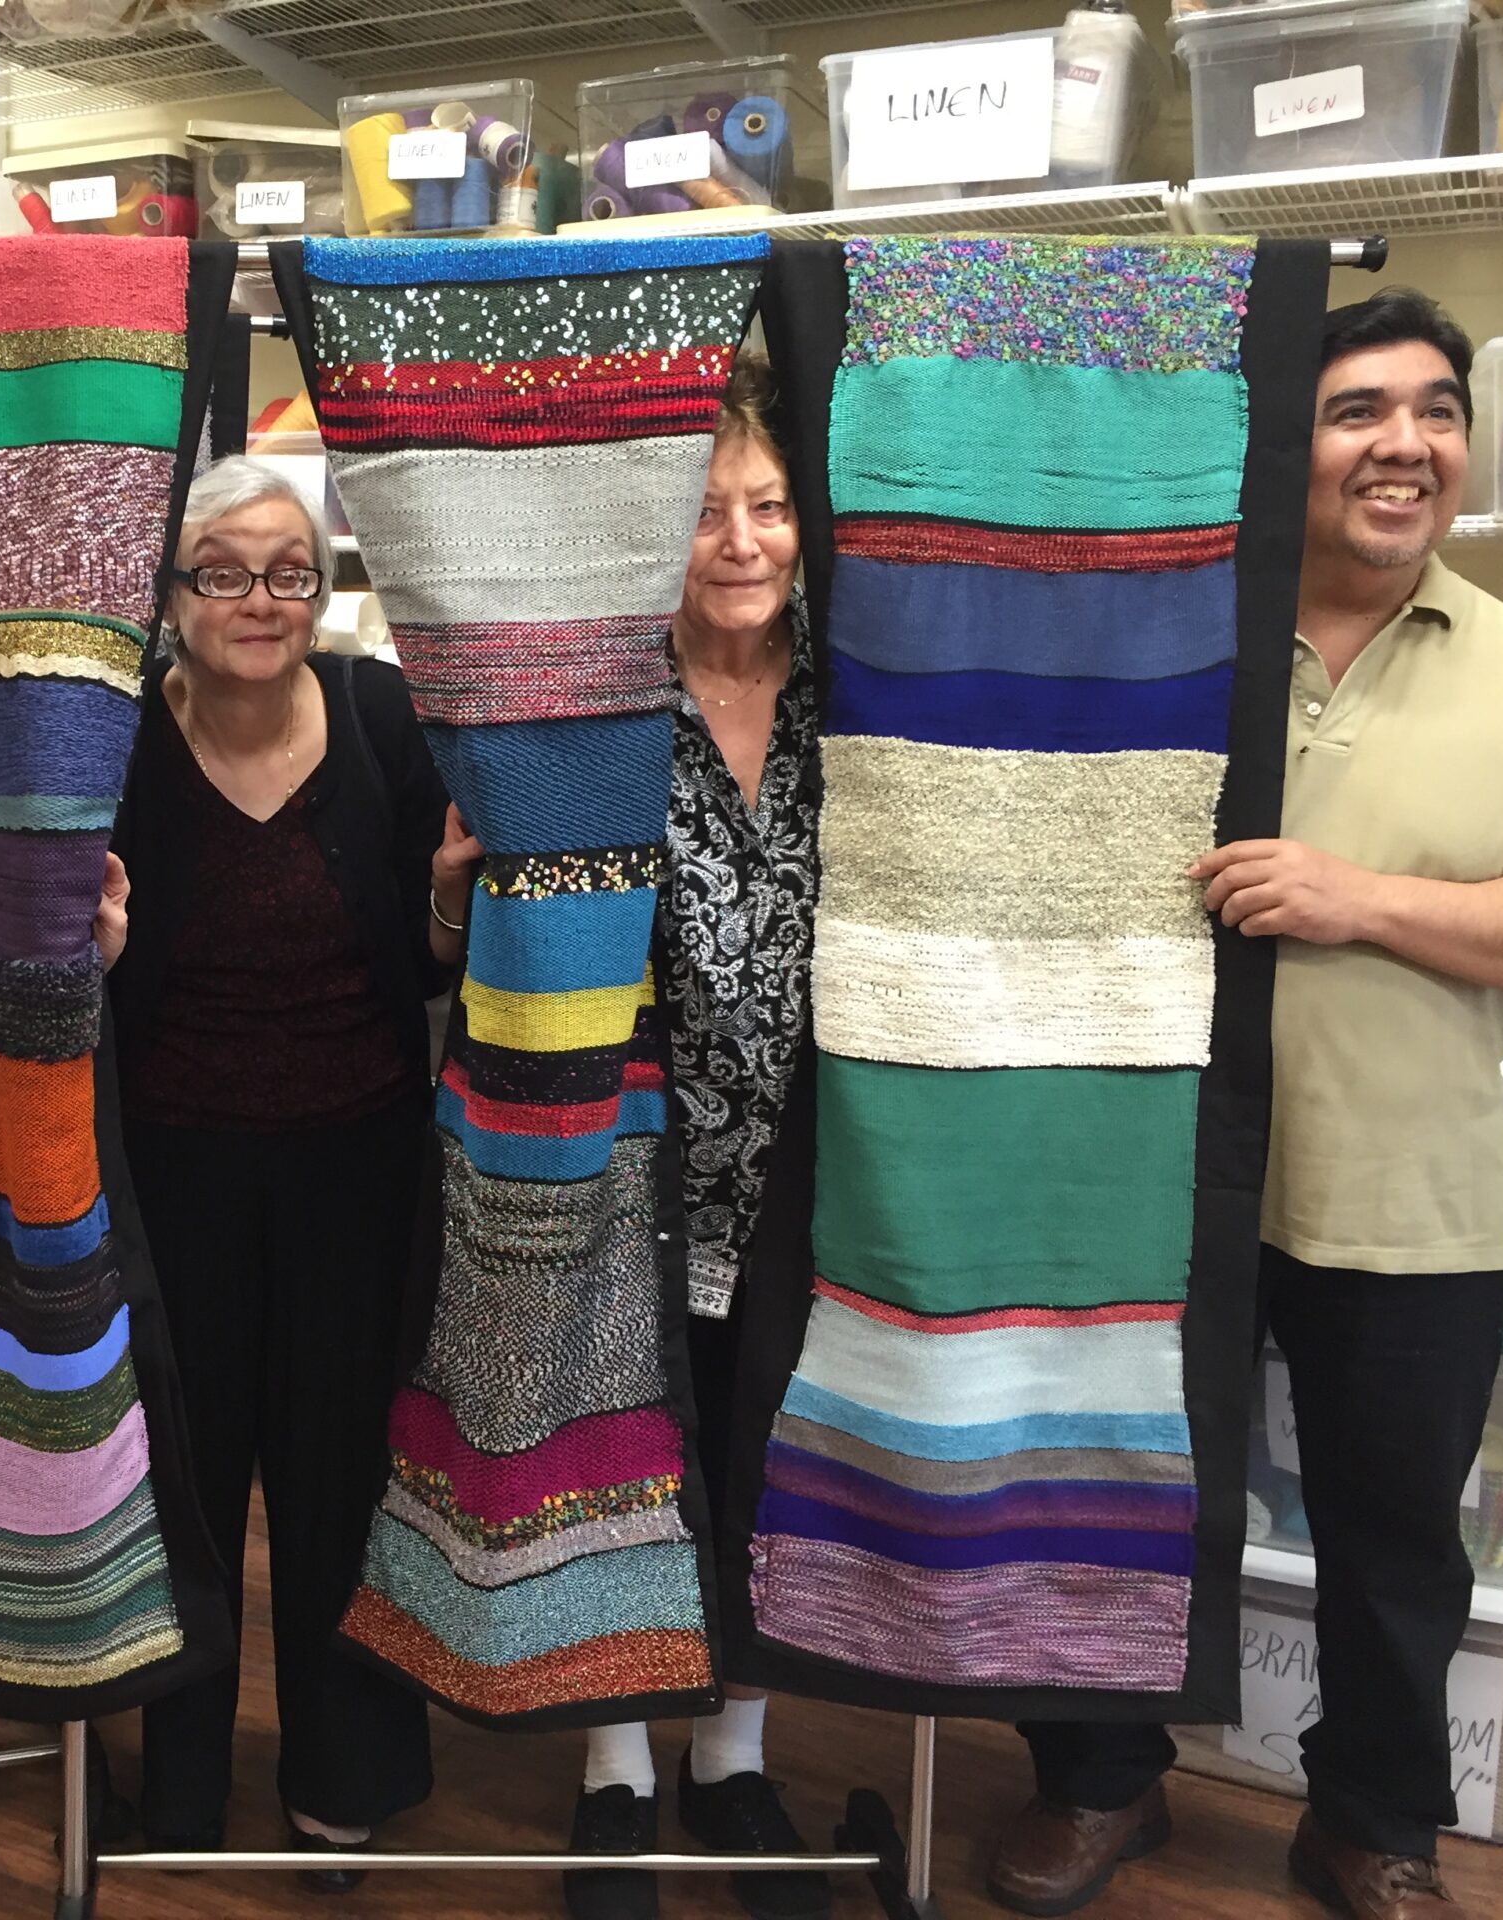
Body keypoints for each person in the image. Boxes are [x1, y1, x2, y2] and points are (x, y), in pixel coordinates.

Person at [991, 291, 1503, 1920]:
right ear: (1278, 446)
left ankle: (1376, 1821)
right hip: (1150, 1178)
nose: (1406, 444)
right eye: (1358, 409)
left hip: (1408, 1190)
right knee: (1104, 1492)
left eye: (1439, 410)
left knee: (1397, 1546)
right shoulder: (1176, 650)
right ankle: (1098, 1782)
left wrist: (1354, 899)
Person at [106, 455, 463, 1888]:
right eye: (225, 570)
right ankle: (179, 1772)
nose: (261, 598)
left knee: (344, 1485)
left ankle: (345, 1776)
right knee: (179, 1483)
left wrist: (446, 909)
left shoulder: (382, 716)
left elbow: (440, 953)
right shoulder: (118, 741)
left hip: (358, 1170)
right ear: (172, 591)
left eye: (291, 570)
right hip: (172, 1169)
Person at [561, 353, 830, 1920]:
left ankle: (733, 1758)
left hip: (803, 1164)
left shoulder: (861, 704)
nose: (740, 540)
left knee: (765, 1455)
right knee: (622, 1452)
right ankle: (611, 1768)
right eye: (707, 511)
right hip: (626, 1157)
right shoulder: (595, 703)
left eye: (770, 506)